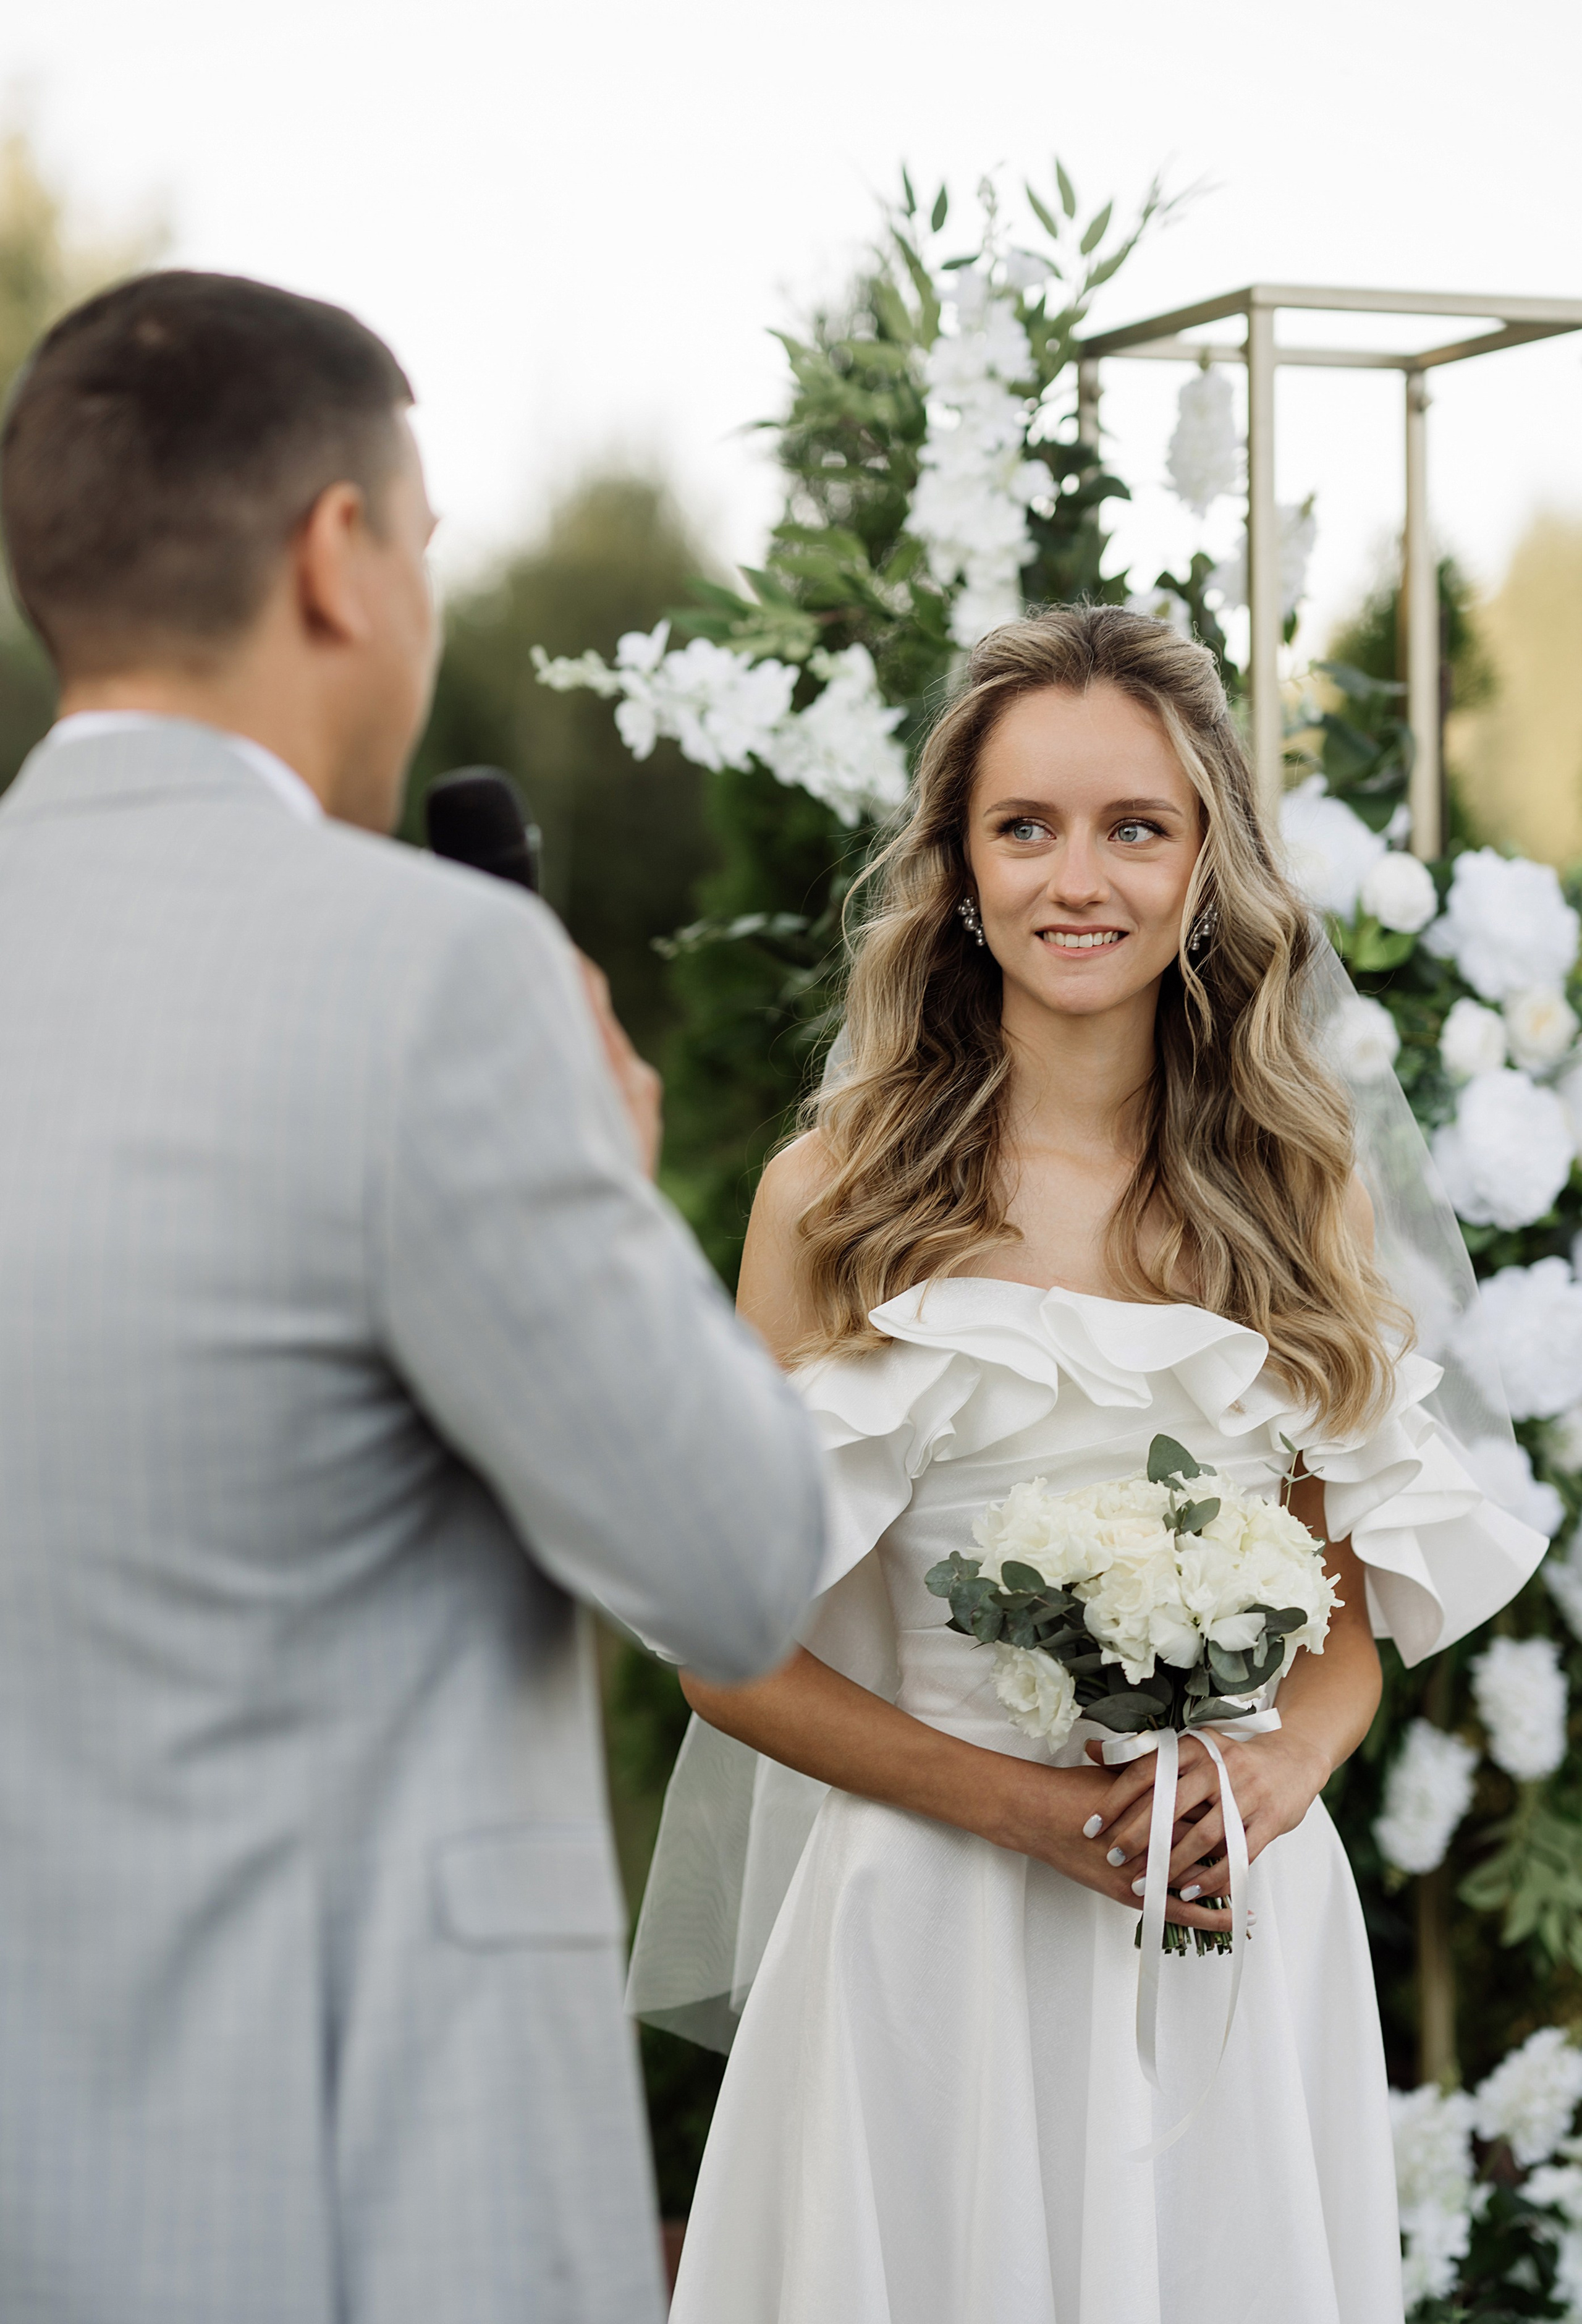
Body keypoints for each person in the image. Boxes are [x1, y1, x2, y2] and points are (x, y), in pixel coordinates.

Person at [0, 271, 826, 2324]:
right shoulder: (435, 986)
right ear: (336, 558)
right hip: (359, 2194)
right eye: (430, 549)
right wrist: (607, 1181)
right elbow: (738, 1565)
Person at [636, 608, 1547, 2324]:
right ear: (959, 870)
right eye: (1025, 826)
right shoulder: (831, 1202)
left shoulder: (1301, 1190)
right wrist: (1036, 1816)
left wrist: (1285, 1772)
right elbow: (726, 1653)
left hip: (1231, 1936)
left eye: (1137, 827)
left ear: (1208, 864)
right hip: (931, 1930)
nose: (1082, 879)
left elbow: (1348, 1595)